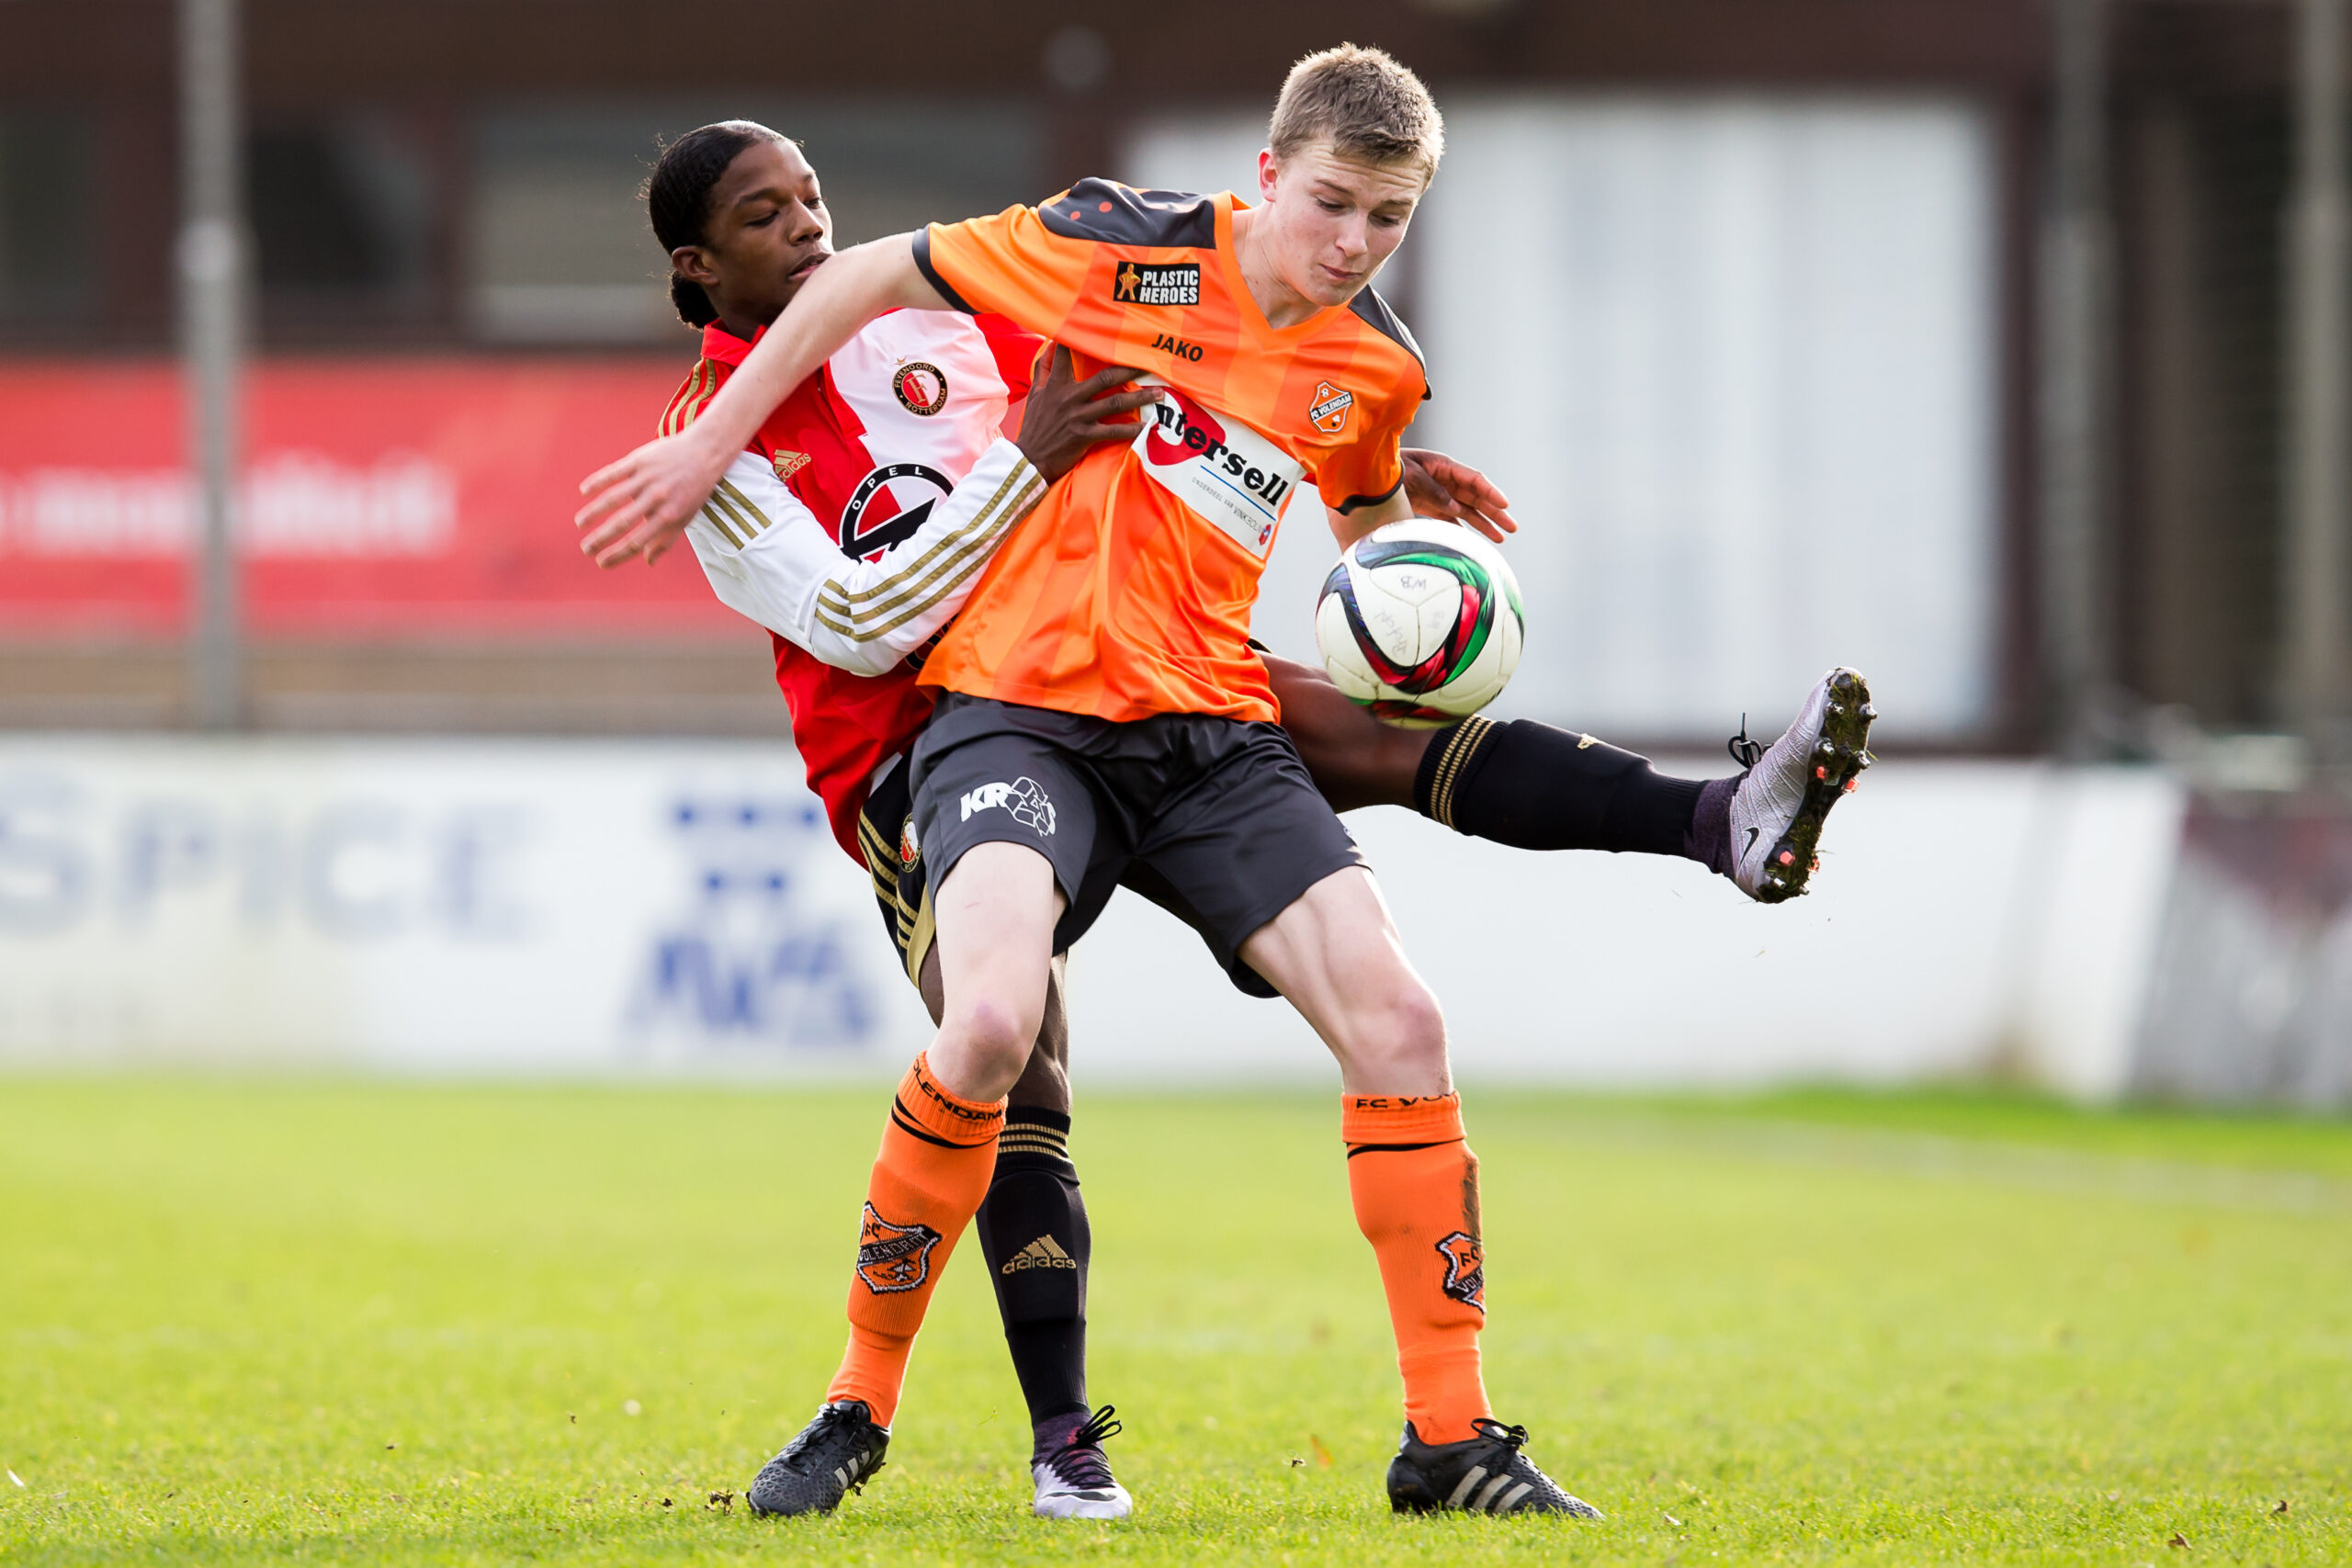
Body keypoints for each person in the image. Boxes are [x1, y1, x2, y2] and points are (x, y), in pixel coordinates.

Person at [593, 66, 1872, 1522]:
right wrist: (714, 446)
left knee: (1401, 969)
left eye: (1387, 218)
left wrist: (1412, 553)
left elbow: (1356, 518)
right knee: (1004, 1038)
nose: (1352, 240)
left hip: (1200, 712)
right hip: (967, 725)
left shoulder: (1363, 360)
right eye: (1330, 203)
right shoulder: (1108, 243)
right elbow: (873, 621)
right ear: (1267, 172)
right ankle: (883, 1410)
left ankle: (1451, 1434)